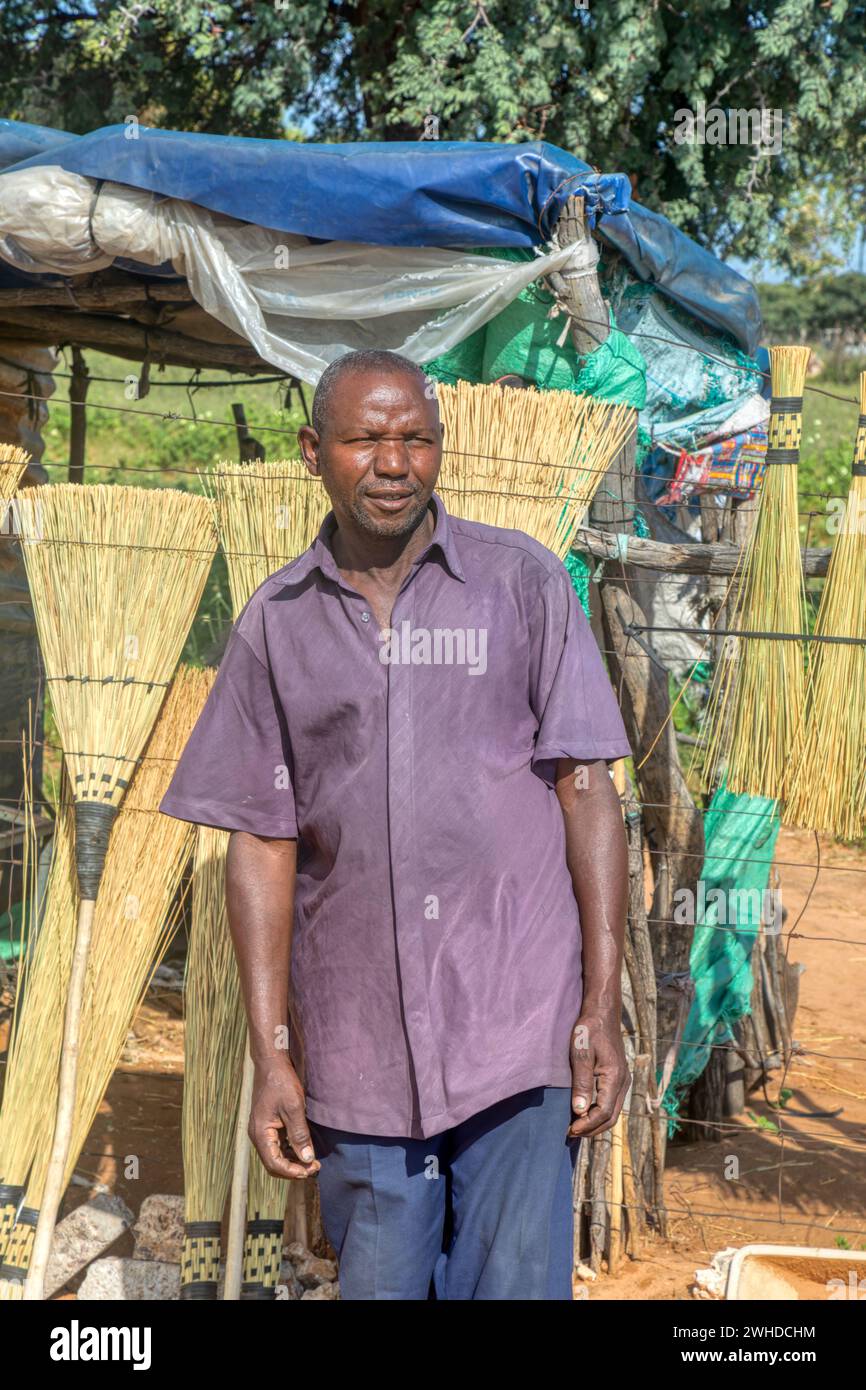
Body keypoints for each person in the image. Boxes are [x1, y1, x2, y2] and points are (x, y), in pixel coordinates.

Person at [160, 348, 632, 1301]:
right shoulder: (277, 623)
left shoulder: (523, 586)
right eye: (366, 438)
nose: (393, 461)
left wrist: (600, 1005)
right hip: (356, 1038)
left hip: (515, 1019)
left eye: (416, 438)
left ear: (441, 451)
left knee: (513, 1288)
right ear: (312, 451)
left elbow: (588, 793)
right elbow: (259, 839)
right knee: (379, 1284)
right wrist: (272, 1054)